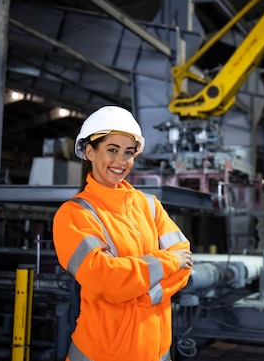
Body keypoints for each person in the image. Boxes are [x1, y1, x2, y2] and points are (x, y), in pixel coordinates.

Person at [53, 105, 193, 361]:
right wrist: (167, 263)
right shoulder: (74, 214)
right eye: (112, 150)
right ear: (89, 152)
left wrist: (136, 294)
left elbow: (185, 262)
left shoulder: (149, 206)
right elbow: (104, 279)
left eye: (128, 152)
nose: (121, 161)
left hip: (157, 354)